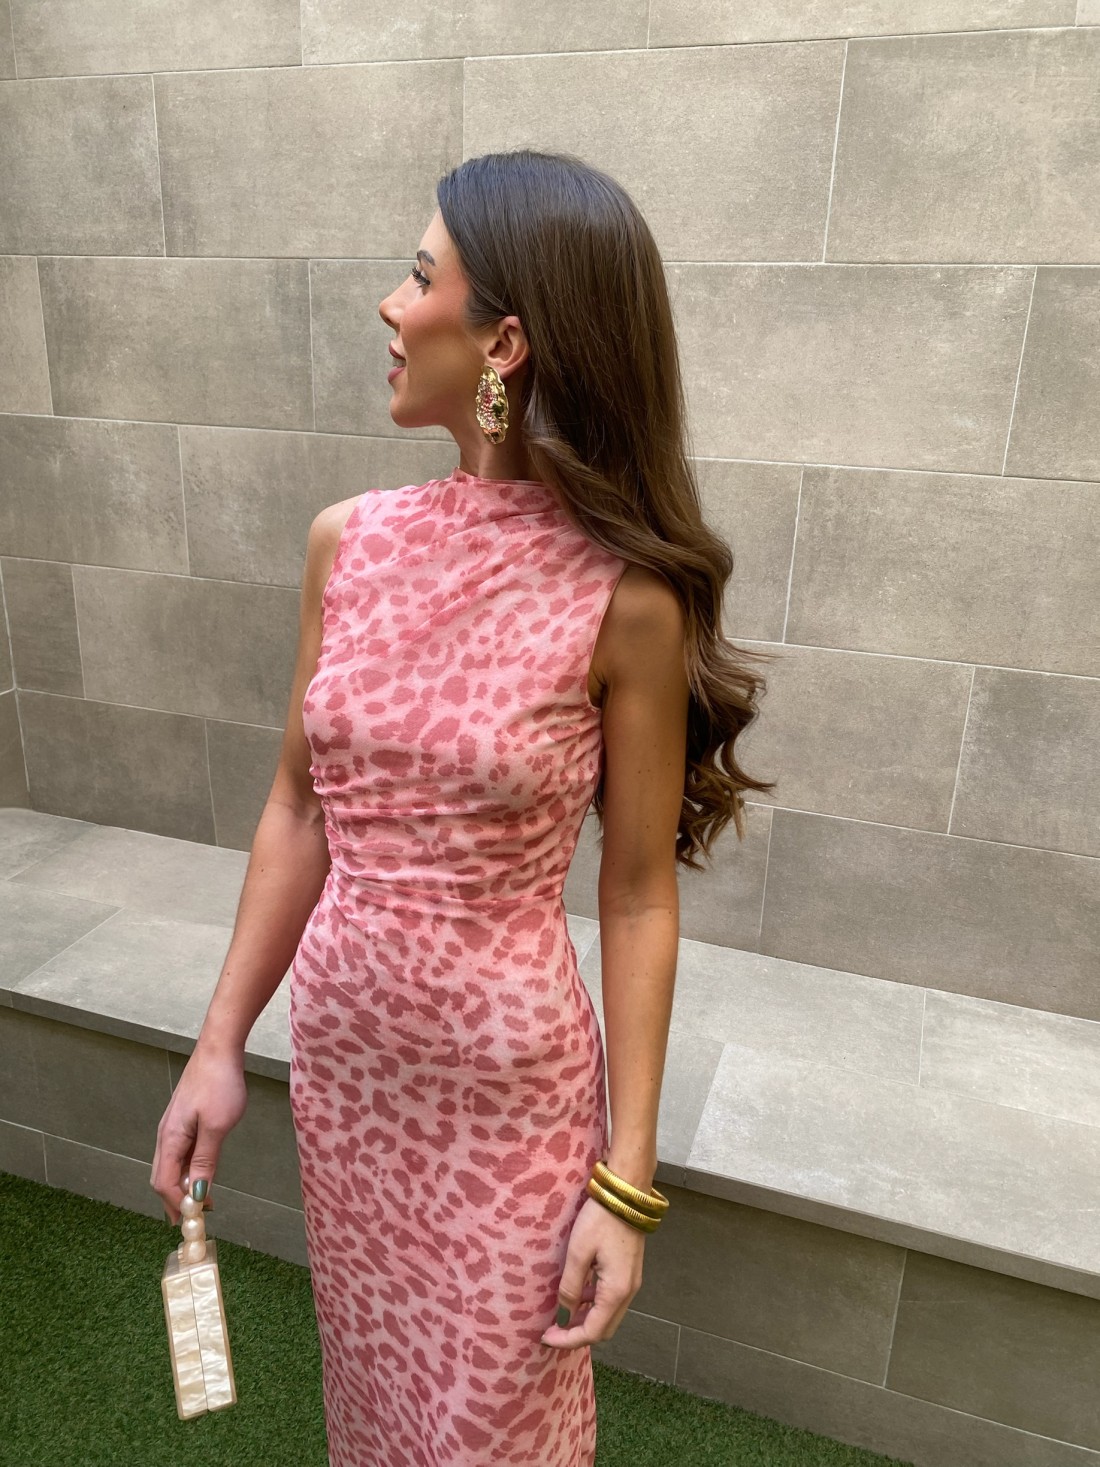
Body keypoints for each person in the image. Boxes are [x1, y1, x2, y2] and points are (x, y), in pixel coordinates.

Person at [151, 149, 775, 1467]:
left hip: (508, 1104)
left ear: (504, 340)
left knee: (494, 1429)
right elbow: (299, 810)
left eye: (418, 275)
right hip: (348, 1075)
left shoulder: (627, 598)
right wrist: (219, 1044)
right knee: (378, 1401)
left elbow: (637, 893)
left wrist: (627, 1180)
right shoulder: (346, 542)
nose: (390, 305)